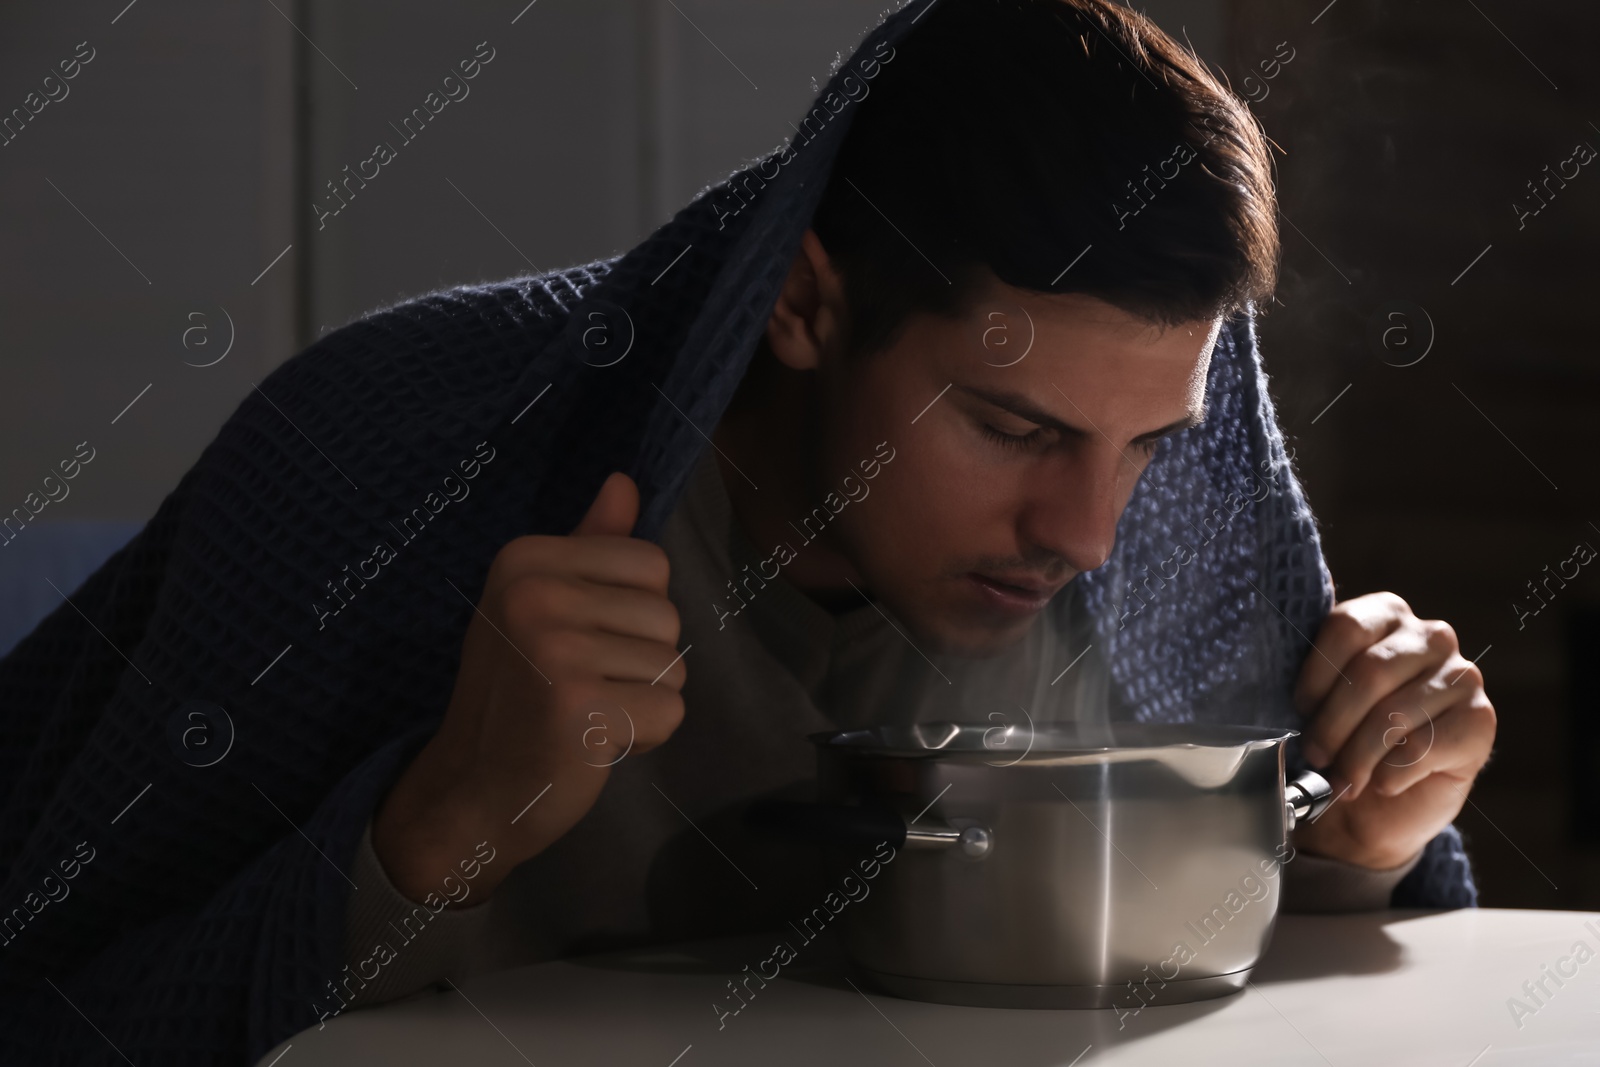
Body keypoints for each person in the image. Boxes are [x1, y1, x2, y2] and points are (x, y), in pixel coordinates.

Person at [0, 0, 1493, 1062]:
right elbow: (63, 1013)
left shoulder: (1163, 541)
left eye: (1148, 447)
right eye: (1013, 430)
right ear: (805, 304)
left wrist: (1361, 837)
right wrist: (443, 816)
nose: (1087, 534)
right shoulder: (397, 459)